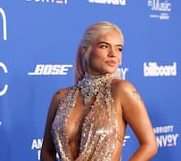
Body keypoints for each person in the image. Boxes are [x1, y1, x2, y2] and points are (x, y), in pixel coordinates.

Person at [40, 21, 158, 161]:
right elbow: (47, 150)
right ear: (86, 50)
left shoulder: (122, 91)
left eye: (119, 49)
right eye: (104, 46)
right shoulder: (60, 97)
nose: (113, 54)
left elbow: (149, 145)